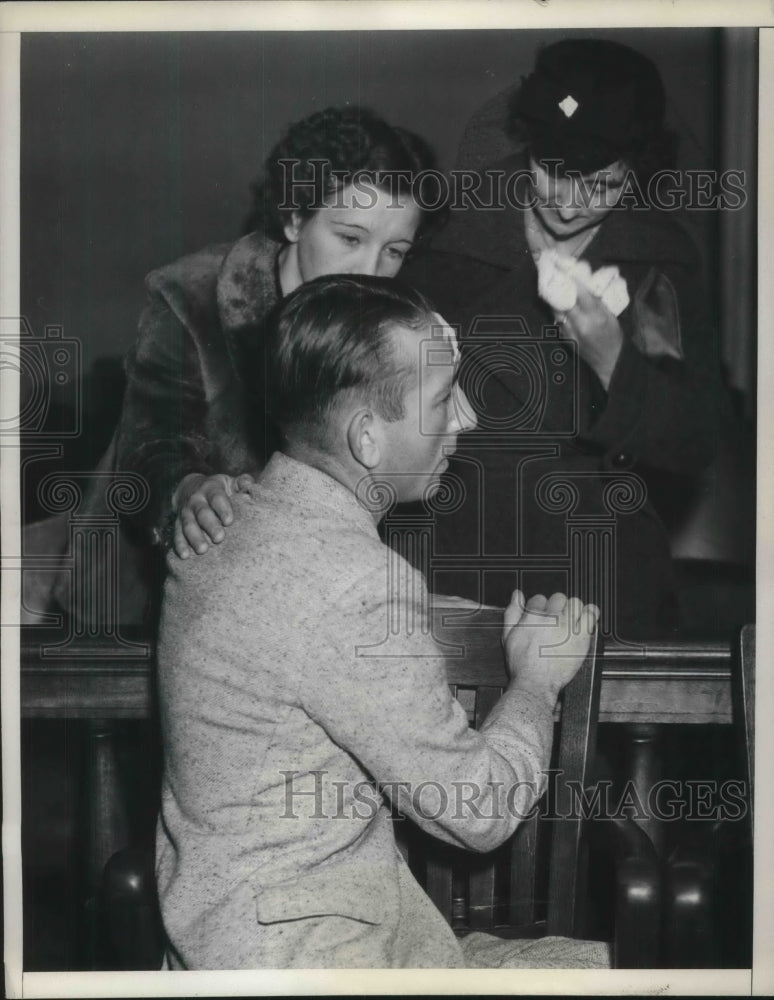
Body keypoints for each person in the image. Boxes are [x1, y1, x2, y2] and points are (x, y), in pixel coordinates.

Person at [156, 274, 607, 969]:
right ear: (367, 438)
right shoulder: (360, 581)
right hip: (313, 958)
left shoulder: (224, 522)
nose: (466, 419)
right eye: (440, 400)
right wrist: (537, 683)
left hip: (220, 941)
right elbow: (477, 812)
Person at [51, 105, 442, 625]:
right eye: (350, 238)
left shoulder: (392, 324)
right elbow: (151, 445)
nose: (370, 272)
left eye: (394, 251)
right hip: (136, 602)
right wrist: (188, 491)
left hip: (287, 602)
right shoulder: (190, 294)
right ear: (295, 217)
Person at [400, 38, 723, 640]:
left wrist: (613, 361)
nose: (571, 205)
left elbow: (694, 438)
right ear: (529, 144)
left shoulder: (660, 260)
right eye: (553, 173)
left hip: (595, 552)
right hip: (450, 538)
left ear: (638, 168)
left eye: (602, 186)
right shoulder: (448, 228)